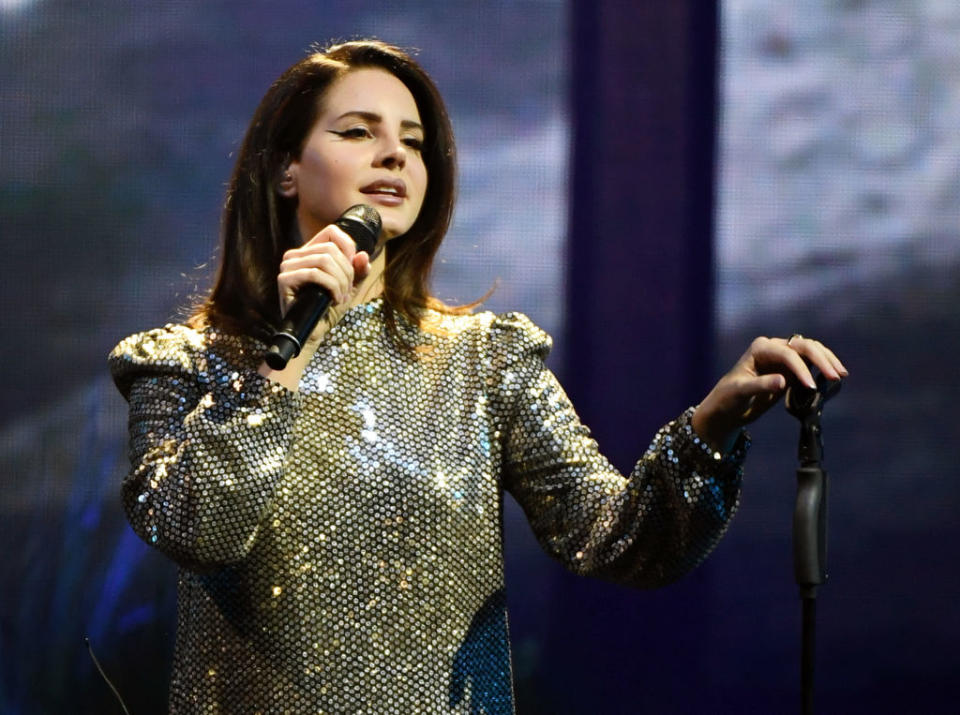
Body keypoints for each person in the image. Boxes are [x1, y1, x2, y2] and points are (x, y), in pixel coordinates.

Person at [109, 40, 847, 713]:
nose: (394, 156)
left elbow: (617, 538)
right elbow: (197, 528)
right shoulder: (181, 362)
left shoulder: (484, 360)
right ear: (284, 168)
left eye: (415, 142)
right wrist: (287, 355)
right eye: (358, 131)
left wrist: (710, 425)